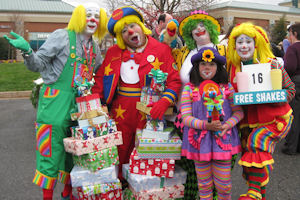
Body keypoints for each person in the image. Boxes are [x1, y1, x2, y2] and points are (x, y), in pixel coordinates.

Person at [4, 3, 108, 200]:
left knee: (75, 152)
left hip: (80, 105)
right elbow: (38, 64)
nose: (93, 19)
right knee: (50, 152)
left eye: (97, 16)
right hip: (55, 102)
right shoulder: (62, 36)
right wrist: (27, 51)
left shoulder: (94, 47)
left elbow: (99, 71)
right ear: (78, 17)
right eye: (88, 15)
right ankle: (47, 197)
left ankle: (67, 194)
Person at [91, 6, 181, 180]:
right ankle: (120, 188)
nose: (130, 31)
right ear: (120, 36)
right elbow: (100, 81)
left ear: (141, 26)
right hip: (119, 113)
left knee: (145, 159)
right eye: (124, 30)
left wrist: (164, 102)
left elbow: (174, 81)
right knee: (119, 153)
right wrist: (95, 106)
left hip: (148, 113)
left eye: (133, 25)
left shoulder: (161, 50)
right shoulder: (113, 52)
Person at [226, 22, 295, 200]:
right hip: (247, 122)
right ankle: (259, 195)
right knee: (249, 161)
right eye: (239, 42)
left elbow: (290, 91)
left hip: (274, 119)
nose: (243, 46)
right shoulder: (233, 69)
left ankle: (254, 193)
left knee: (257, 143)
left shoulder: (272, 65)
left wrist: (273, 96)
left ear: (256, 44)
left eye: (247, 41)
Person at [172, 10, 226, 199]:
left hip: (218, 115)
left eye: (202, 25)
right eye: (194, 28)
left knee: (220, 165)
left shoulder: (224, 49)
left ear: (211, 28)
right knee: (194, 162)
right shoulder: (185, 52)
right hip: (188, 113)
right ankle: (198, 194)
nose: (199, 29)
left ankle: (217, 195)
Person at [180, 47, 243, 200]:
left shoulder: (227, 88)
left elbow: (239, 112)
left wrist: (227, 124)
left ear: (218, 68)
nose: (207, 67)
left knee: (224, 185)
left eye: (212, 64)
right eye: (202, 64)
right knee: (204, 185)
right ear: (196, 67)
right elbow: (186, 116)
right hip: (199, 144)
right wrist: (205, 125)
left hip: (222, 141)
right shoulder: (190, 89)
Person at [282, 23, 300, 155]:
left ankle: (291, 147)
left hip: (296, 83)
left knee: (293, 115)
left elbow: (290, 67)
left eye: (290, 33)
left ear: (294, 33)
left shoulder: (293, 48)